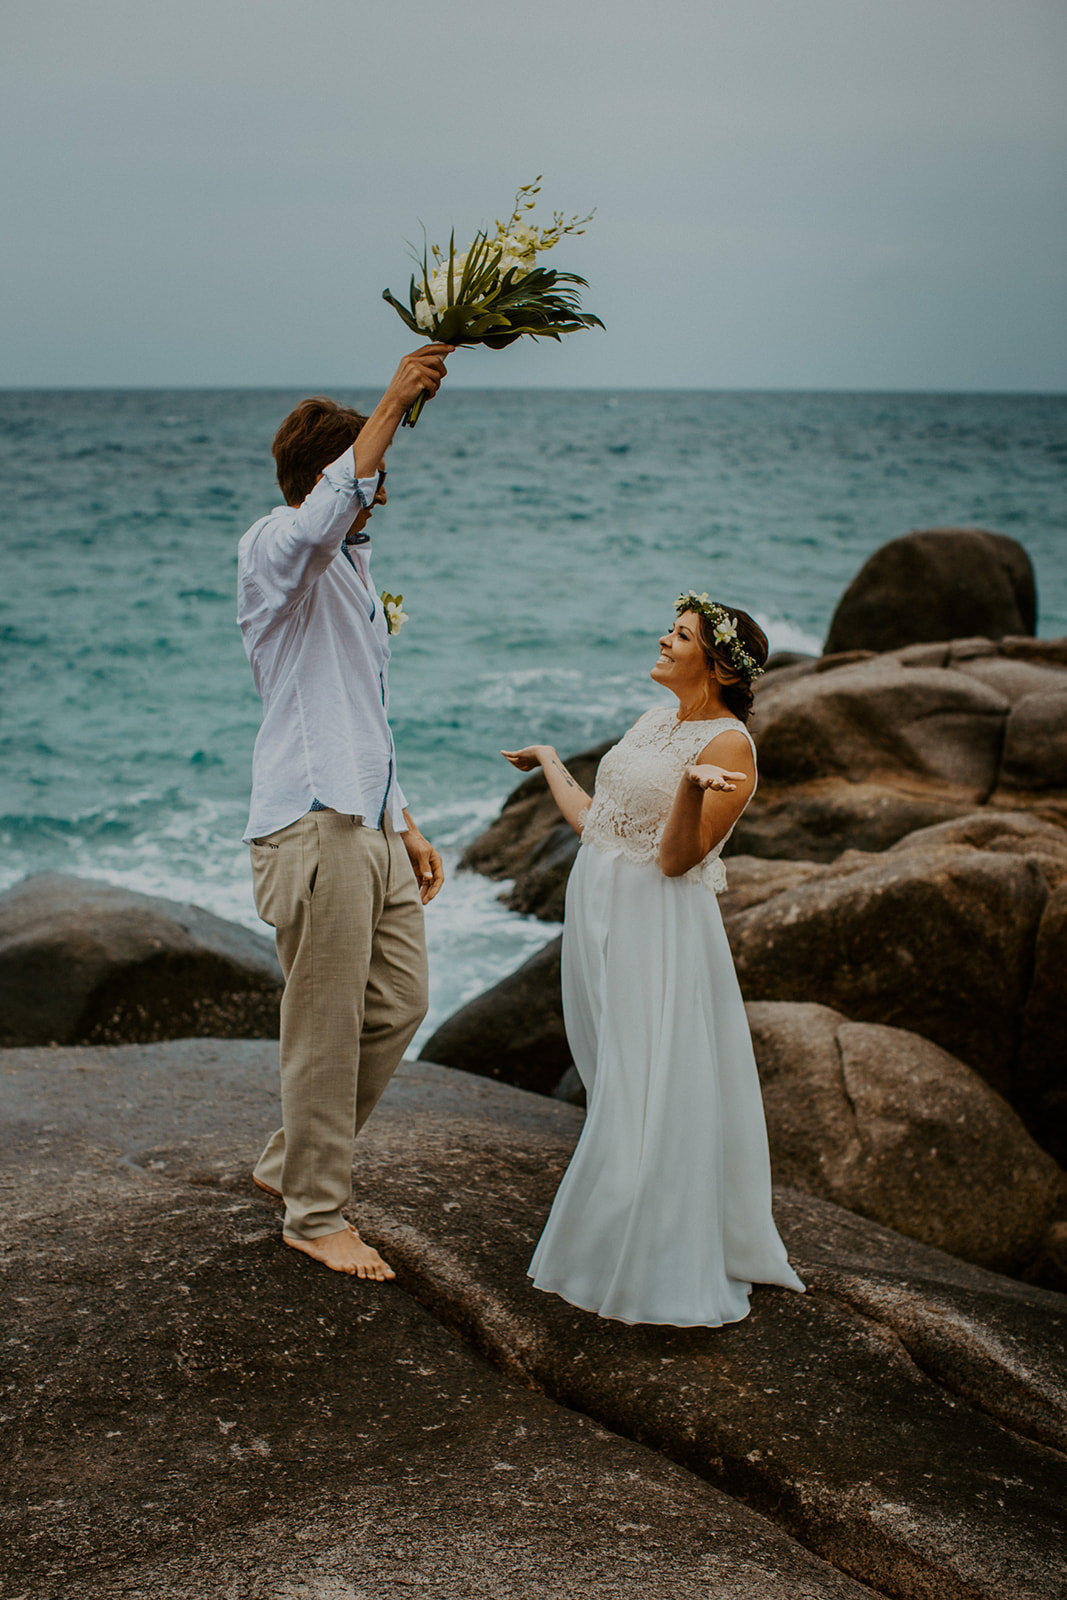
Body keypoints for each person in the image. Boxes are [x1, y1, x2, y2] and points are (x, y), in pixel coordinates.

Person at [502, 592, 805, 1326]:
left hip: (656, 927)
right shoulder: (652, 721)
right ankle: (622, 1233)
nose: (663, 642)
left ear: (716, 663)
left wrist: (690, 794)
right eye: (669, 632)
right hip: (601, 913)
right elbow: (599, 826)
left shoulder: (729, 746)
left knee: (648, 1086)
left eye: (679, 636)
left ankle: (646, 1257)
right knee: (616, 1076)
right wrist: (548, 762)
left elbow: (673, 860)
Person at [237, 343, 453, 1280]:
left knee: (402, 1001)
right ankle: (313, 1214)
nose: (380, 496)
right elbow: (323, 517)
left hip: (368, 822)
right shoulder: (273, 550)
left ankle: (291, 1162)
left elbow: (366, 711)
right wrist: (394, 399)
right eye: (371, 476)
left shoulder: (356, 575)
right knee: (321, 1029)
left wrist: (405, 819)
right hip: (311, 825)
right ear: (330, 476)